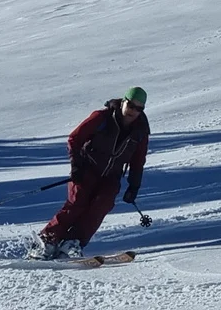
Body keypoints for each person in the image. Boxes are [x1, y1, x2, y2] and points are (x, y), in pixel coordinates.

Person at [31, 86, 150, 259]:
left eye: (139, 108)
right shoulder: (102, 118)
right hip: (87, 169)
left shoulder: (140, 132)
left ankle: (72, 243)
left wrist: (134, 186)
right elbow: (74, 138)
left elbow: (138, 161)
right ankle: (46, 241)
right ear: (123, 102)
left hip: (111, 177)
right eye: (131, 105)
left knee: (101, 206)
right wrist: (76, 166)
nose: (133, 111)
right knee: (77, 203)